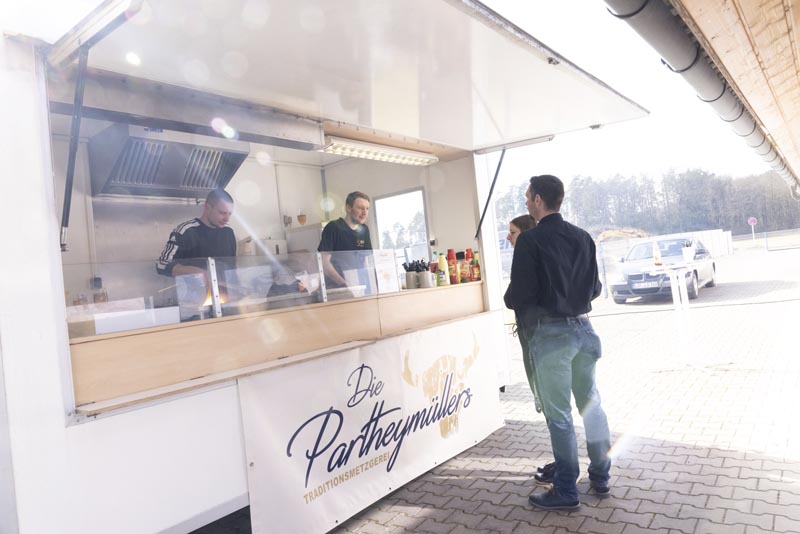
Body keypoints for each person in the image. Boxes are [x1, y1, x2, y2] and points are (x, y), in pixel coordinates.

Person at [509, 175, 611, 511]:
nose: (526, 203)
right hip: (585, 330)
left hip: (552, 337)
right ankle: (601, 476)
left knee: (560, 417)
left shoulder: (530, 241)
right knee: (591, 405)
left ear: (538, 200)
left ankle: (566, 490)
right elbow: (595, 289)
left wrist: (530, 324)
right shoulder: (583, 237)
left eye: (528, 197)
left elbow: (520, 295)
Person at [503, 214, 557, 485]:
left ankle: (563, 465)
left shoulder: (528, 258)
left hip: (536, 340)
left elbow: (510, 298)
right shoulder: (548, 253)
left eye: (512, 232)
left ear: (525, 234)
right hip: (547, 337)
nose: (508, 237)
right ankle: (565, 462)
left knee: (551, 406)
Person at [156, 188, 237, 278]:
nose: (227, 219)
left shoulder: (228, 232)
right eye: (222, 213)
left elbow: (232, 269)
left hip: (222, 287)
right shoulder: (186, 231)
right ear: (207, 207)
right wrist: (198, 272)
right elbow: (161, 265)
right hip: (192, 287)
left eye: (229, 214)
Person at [318, 191, 373, 288]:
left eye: (367, 208)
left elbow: (366, 261)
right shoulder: (333, 227)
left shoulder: (364, 230)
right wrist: (343, 284)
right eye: (360, 208)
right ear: (348, 208)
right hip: (336, 287)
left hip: (358, 286)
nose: (365, 212)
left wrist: (370, 285)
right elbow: (324, 262)